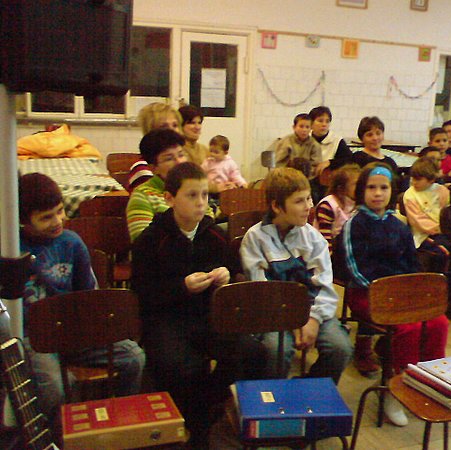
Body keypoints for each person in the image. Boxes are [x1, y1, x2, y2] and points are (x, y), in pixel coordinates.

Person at [131, 162, 267, 448]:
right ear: (170, 199)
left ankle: (207, 408)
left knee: (253, 352)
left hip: (207, 316)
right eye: (192, 195)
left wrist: (227, 275)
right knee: (181, 365)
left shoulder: (213, 233)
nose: (201, 203)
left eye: (205, 195)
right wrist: (182, 287)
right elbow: (142, 293)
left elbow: (232, 268)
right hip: (165, 319)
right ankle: (195, 426)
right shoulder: (152, 240)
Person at [19, 173, 145, 436]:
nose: (58, 221)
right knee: (54, 387)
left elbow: (89, 297)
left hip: (74, 332)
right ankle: (57, 437)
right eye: (46, 217)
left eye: (60, 211)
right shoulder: (13, 249)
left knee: (134, 358)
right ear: (24, 221)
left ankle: (119, 425)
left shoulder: (72, 243)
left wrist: (92, 325)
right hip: (35, 338)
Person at [340, 162, 449, 426]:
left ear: (392, 191)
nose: (378, 193)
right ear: (362, 191)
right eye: (371, 187)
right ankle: (395, 389)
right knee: (409, 328)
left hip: (401, 294)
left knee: (438, 323)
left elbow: (412, 263)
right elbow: (355, 270)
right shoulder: (355, 224)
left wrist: (415, 292)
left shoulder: (398, 225)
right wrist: (387, 295)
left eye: (384, 187)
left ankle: (425, 381)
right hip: (368, 294)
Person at [240, 167, 352, 383]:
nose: (309, 206)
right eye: (299, 201)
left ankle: (308, 389)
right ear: (276, 206)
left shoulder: (314, 239)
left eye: (309, 198)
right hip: (274, 314)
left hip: (311, 309)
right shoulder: (255, 239)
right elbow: (262, 290)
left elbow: (325, 287)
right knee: (276, 350)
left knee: (340, 348)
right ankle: (274, 394)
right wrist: (293, 321)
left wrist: (313, 319)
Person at [313, 163, 378, 377]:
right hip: (330, 257)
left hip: (354, 256)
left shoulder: (360, 205)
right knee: (367, 288)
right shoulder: (328, 204)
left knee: (379, 279)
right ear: (341, 187)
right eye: (356, 184)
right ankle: (363, 347)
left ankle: (374, 338)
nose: (361, 189)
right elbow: (324, 241)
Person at [126, 129, 189, 242]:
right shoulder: (142, 196)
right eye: (169, 158)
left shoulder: (193, 189)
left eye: (181, 155)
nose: (179, 162)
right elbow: (143, 244)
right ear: (153, 168)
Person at [403, 158, 450, 270]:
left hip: (444, 231)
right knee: (444, 251)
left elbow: (447, 212)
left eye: (418, 179)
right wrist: (440, 229)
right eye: (413, 178)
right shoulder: (410, 195)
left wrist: (448, 228)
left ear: (431, 180)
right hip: (423, 235)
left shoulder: (442, 191)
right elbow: (418, 221)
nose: (414, 182)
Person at [128, 102, 183, 191]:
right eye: (164, 126)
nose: (172, 130)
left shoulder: (182, 159)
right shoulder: (142, 169)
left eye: (175, 125)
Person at [309, 106, 353, 176]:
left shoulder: (337, 140)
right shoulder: (305, 139)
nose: (324, 124)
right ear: (311, 123)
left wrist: (330, 162)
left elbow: (349, 160)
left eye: (327, 121)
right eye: (320, 121)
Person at [275, 113, 322, 177]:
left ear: (311, 128)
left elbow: (316, 165)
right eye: (301, 126)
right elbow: (278, 163)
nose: (304, 130)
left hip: (307, 177)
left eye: (307, 127)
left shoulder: (315, 145)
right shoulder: (285, 142)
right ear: (294, 127)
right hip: (286, 176)